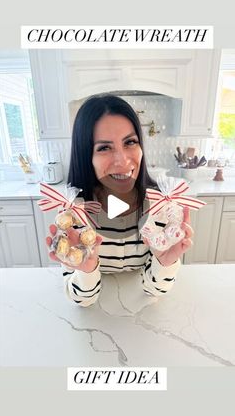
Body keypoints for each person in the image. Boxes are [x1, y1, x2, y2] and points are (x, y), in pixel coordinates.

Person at [46, 94, 193, 307]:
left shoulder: (160, 208)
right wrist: (86, 270)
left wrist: (165, 261)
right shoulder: (73, 215)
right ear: (86, 155)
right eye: (104, 147)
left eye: (130, 142)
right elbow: (81, 300)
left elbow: (155, 290)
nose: (123, 160)